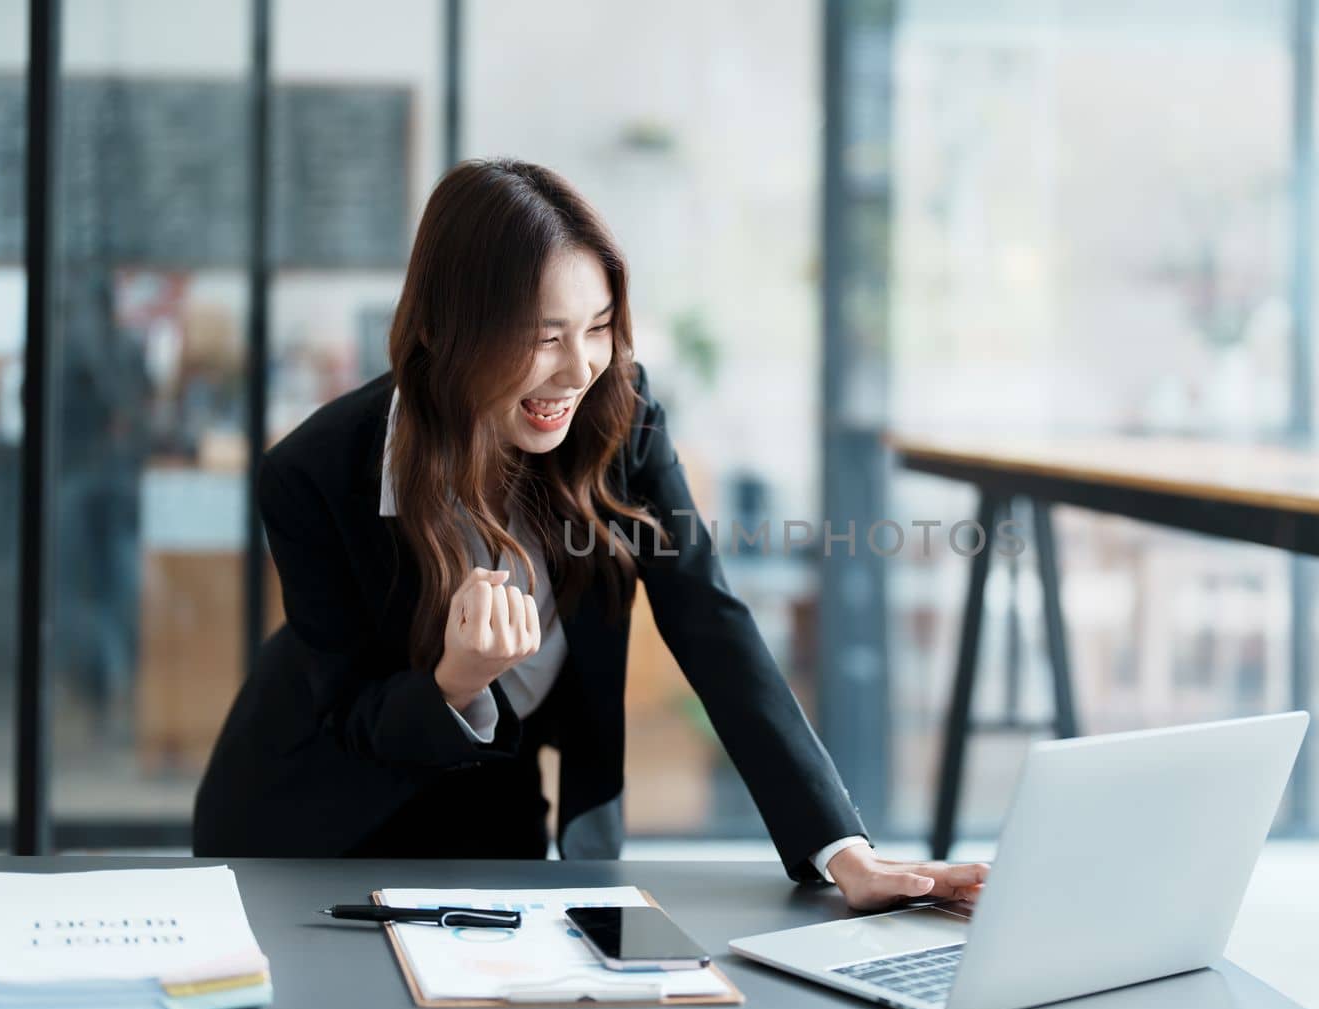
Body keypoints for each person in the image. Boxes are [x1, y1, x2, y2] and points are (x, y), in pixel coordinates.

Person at [194, 159, 986, 910]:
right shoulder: (313, 473)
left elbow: (711, 620)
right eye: (544, 336)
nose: (580, 369)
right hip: (308, 829)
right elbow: (352, 710)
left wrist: (841, 848)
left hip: (489, 811)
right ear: (447, 329)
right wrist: (455, 682)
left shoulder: (620, 420)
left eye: (599, 327)